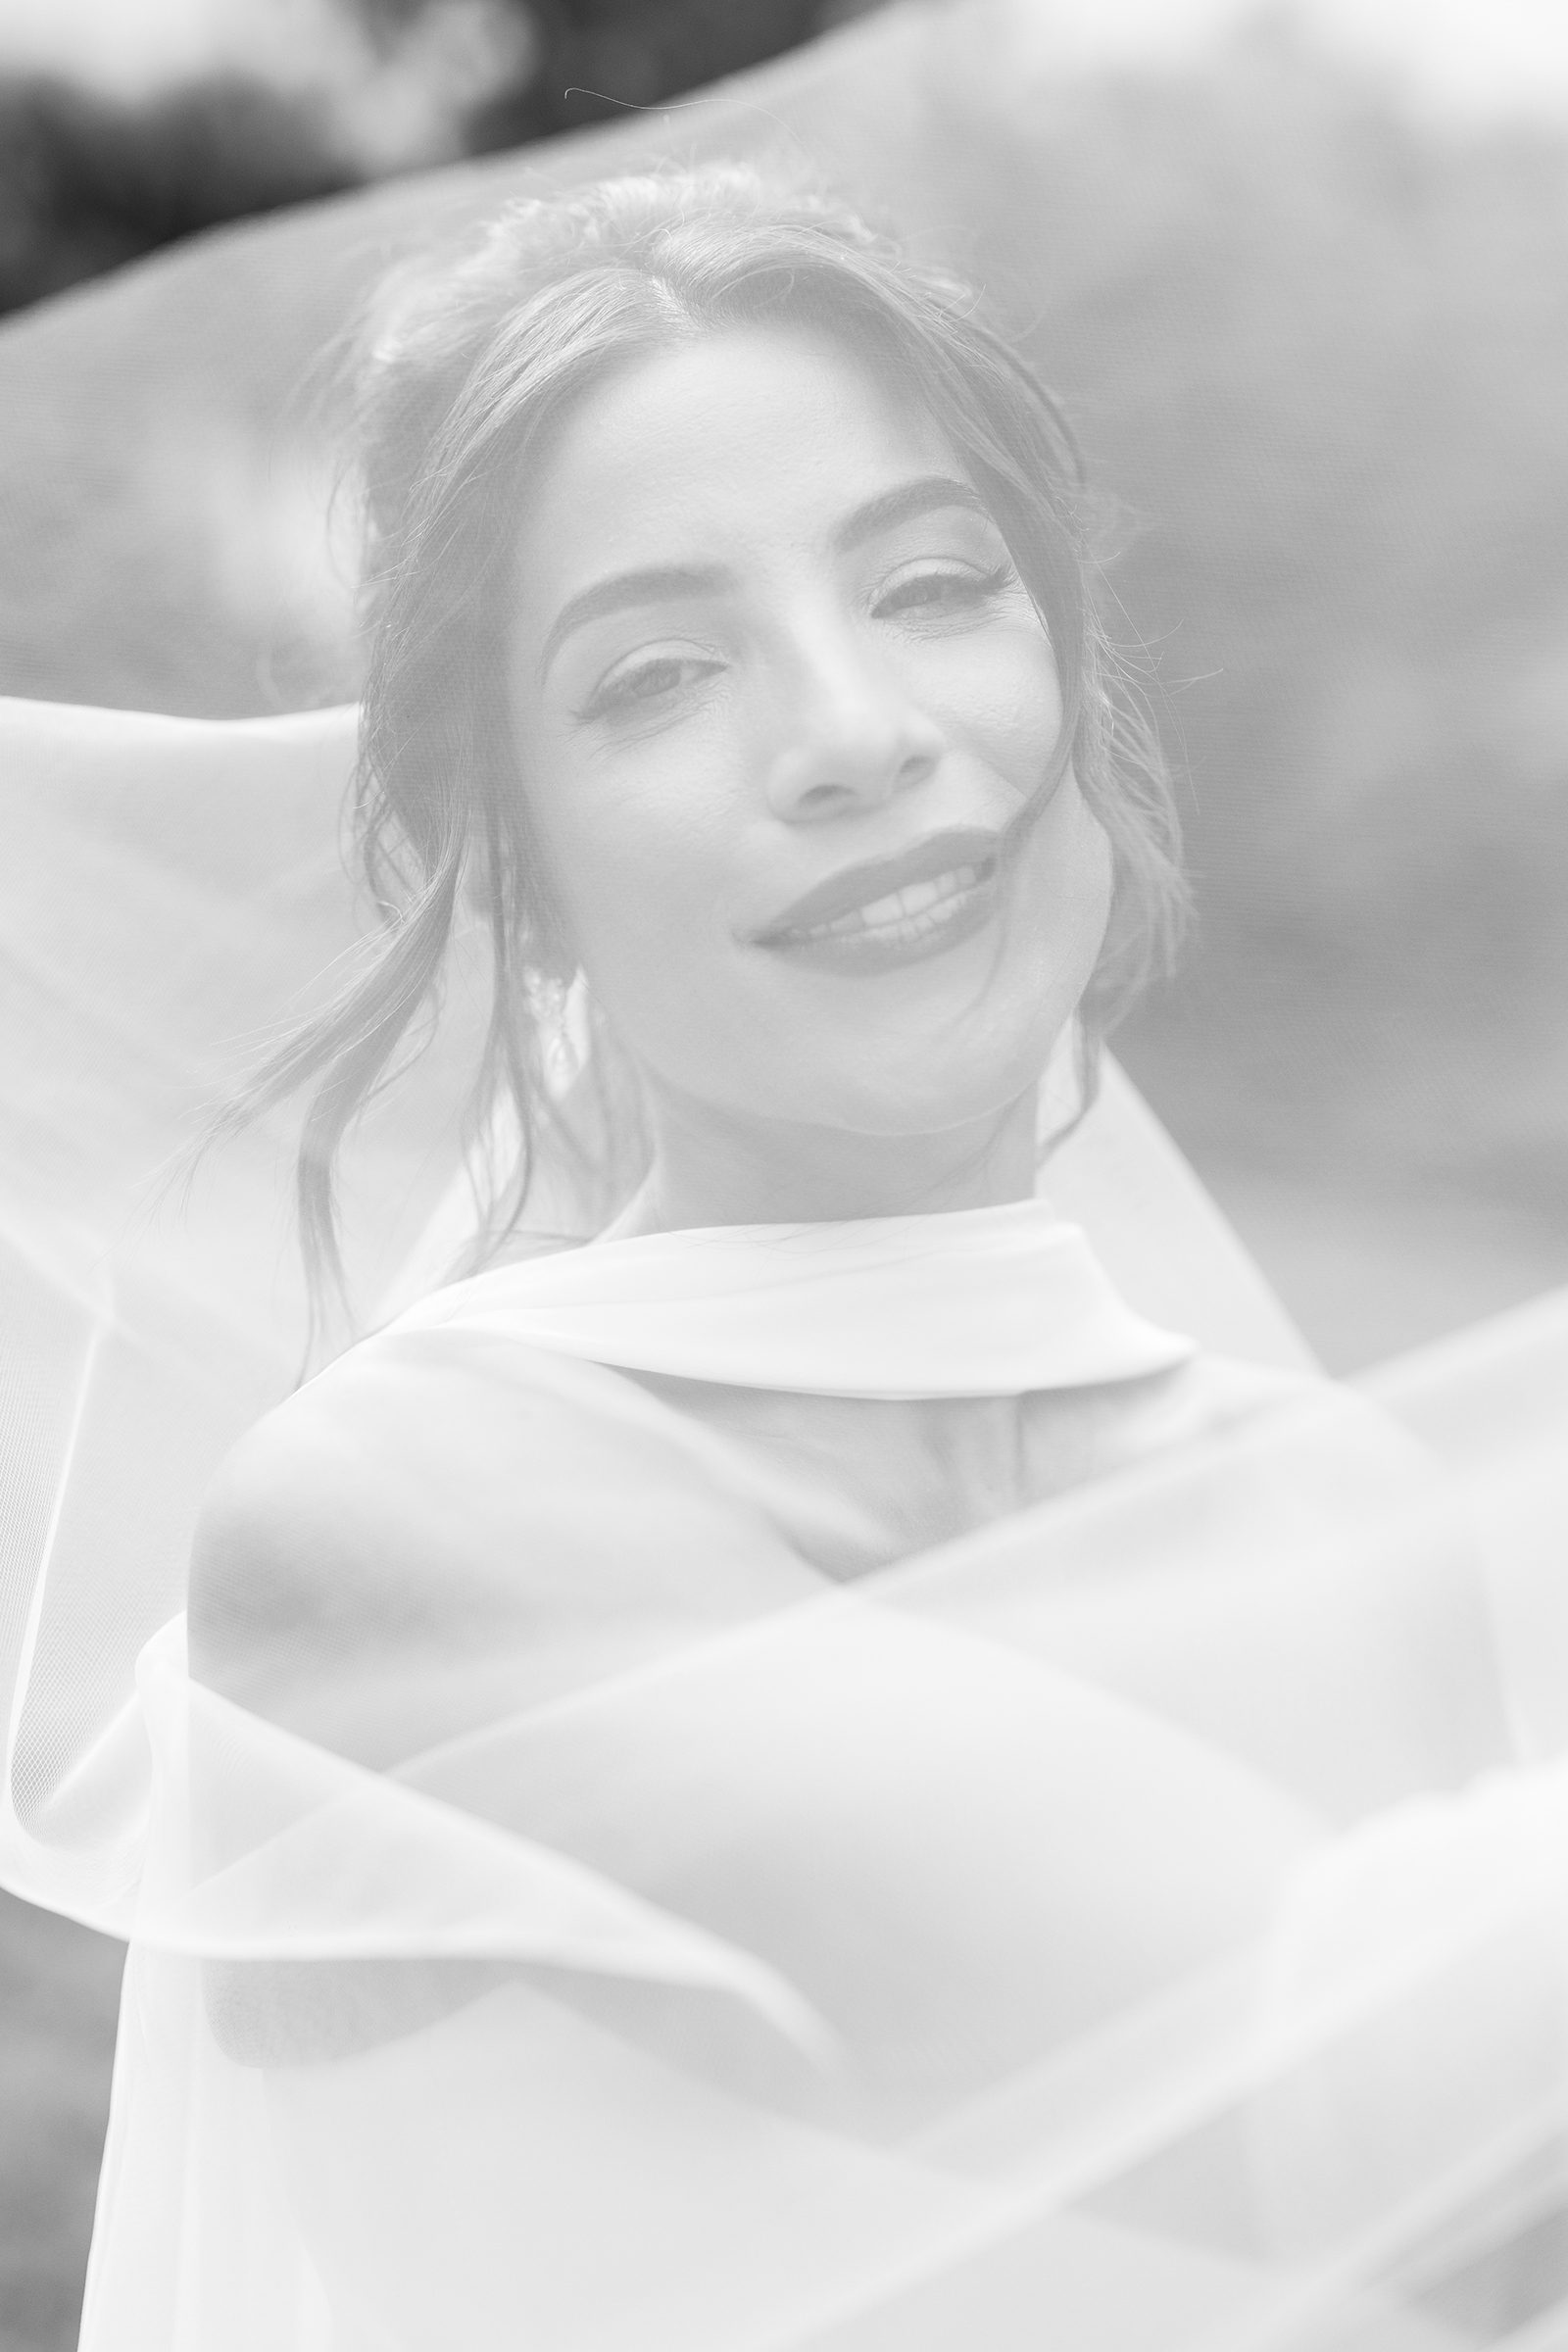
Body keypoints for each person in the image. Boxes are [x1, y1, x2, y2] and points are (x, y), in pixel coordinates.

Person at [2, 166, 1566, 2352]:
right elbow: (1346, 2110)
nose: (852, 734)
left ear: (1067, 666)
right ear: (509, 865)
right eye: (656, 676)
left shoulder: (1340, 1512)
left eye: (931, 587)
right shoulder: (403, 1519)